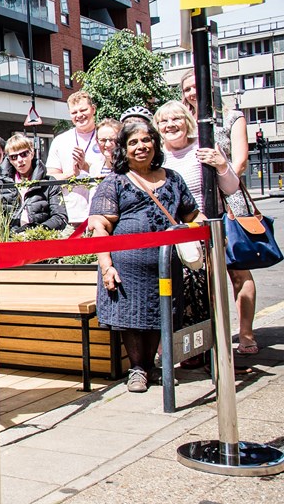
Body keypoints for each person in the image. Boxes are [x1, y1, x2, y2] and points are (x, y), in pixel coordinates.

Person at [88, 118, 199, 393]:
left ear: (155, 143)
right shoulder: (115, 182)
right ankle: (138, 370)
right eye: (133, 142)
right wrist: (107, 267)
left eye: (146, 140)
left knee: (160, 315)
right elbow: (99, 226)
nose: (141, 147)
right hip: (128, 268)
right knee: (133, 319)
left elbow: (193, 215)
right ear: (123, 149)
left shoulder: (173, 178)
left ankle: (155, 366)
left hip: (166, 265)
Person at [182, 72, 259, 354]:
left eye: (196, 86)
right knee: (201, 277)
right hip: (196, 208)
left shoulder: (232, 117)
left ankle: (247, 333)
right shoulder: (184, 122)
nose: (192, 92)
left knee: (238, 272)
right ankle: (211, 337)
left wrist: (221, 180)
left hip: (228, 203)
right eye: (187, 88)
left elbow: (239, 161)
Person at [46, 91, 106, 225]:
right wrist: (72, 173)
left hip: (102, 214)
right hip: (70, 216)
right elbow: (50, 178)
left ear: (93, 109)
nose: (79, 115)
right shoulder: (60, 140)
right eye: (74, 112)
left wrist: (85, 166)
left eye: (83, 110)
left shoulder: (106, 137)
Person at [0, 133, 68, 234]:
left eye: (24, 154)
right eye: (14, 157)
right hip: (11, 242)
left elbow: (60, 217)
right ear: (9, 160)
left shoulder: (49, 183)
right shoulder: (1, 184)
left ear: (32, 154)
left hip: (40, 240)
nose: (19, 160)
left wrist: (35, 231)